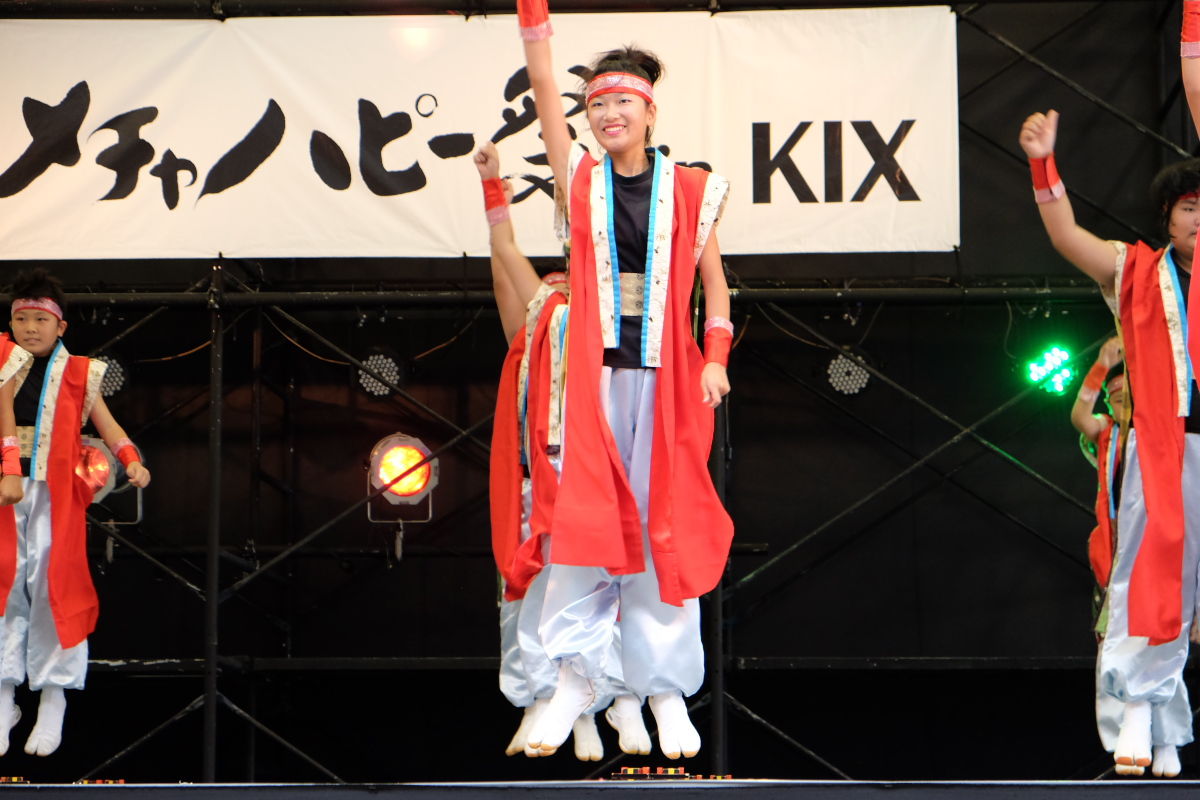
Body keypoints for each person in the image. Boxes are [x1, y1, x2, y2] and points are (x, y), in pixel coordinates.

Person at [511, 0, 734, 759]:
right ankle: (575, 677)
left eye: (620, 104)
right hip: (596, 385)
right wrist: (535, 30)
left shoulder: (692, 189)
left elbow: (716, 286)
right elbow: (547, 99)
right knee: (585, 526)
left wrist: (715, 358)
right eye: (596, 105)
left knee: (659, 526)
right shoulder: (581, 181)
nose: (607, 115)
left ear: (648, 111)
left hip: (666, 383)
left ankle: (664, 687)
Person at [1019, 109, 1200, 777]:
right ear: (1167, 217)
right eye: (1189, 208)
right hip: (1162, 447)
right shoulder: (1137, 271)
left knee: (1186, 593)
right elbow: (1066, 235)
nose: (1199, 219)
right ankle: (1137, 709)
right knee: (1147, 580)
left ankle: (1164, 725)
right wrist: (1043, 163)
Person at [479, 141, 652, 760]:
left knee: (618, 583)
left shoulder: (619, 315)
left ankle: (624, 697)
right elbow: (504, 256)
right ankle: (548, 701)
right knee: (538, 586)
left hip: (605, 470)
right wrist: (492, 188)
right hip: (545, 474)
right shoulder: (541, 315)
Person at [0, 269, 151, 757]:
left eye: (40, 319)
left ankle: (53, 696)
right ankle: (3, 695)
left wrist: (130, 458)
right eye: (21, 319)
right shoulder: (1, 361)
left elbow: (106, 423)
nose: (30, 328)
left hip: (55, 494)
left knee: (54, 586)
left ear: (60, 325)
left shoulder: (80, 373)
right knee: (2, 585)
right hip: (4, 489)